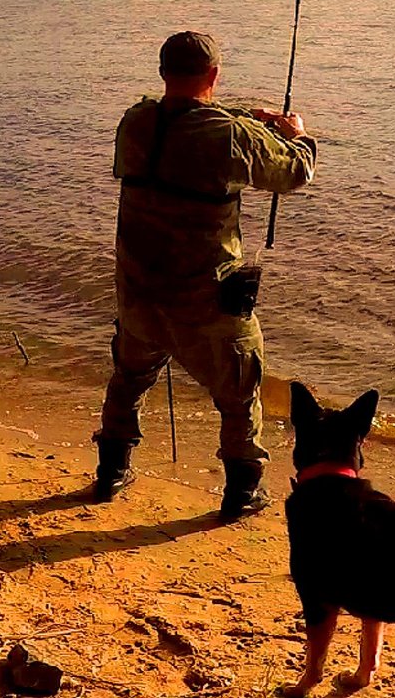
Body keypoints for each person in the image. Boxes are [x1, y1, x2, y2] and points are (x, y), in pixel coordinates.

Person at [94, 30, 317, 520]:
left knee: (129, 377)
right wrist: (296, 133)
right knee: (240, 391)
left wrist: (247, 117)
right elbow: (295, 174)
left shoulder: (134, 121)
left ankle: (110, 471)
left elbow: (185, 120)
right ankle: (242, 491)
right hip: (203, 299)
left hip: (137, 293)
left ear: (162, 72)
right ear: (214, 75)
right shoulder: (230, 137)